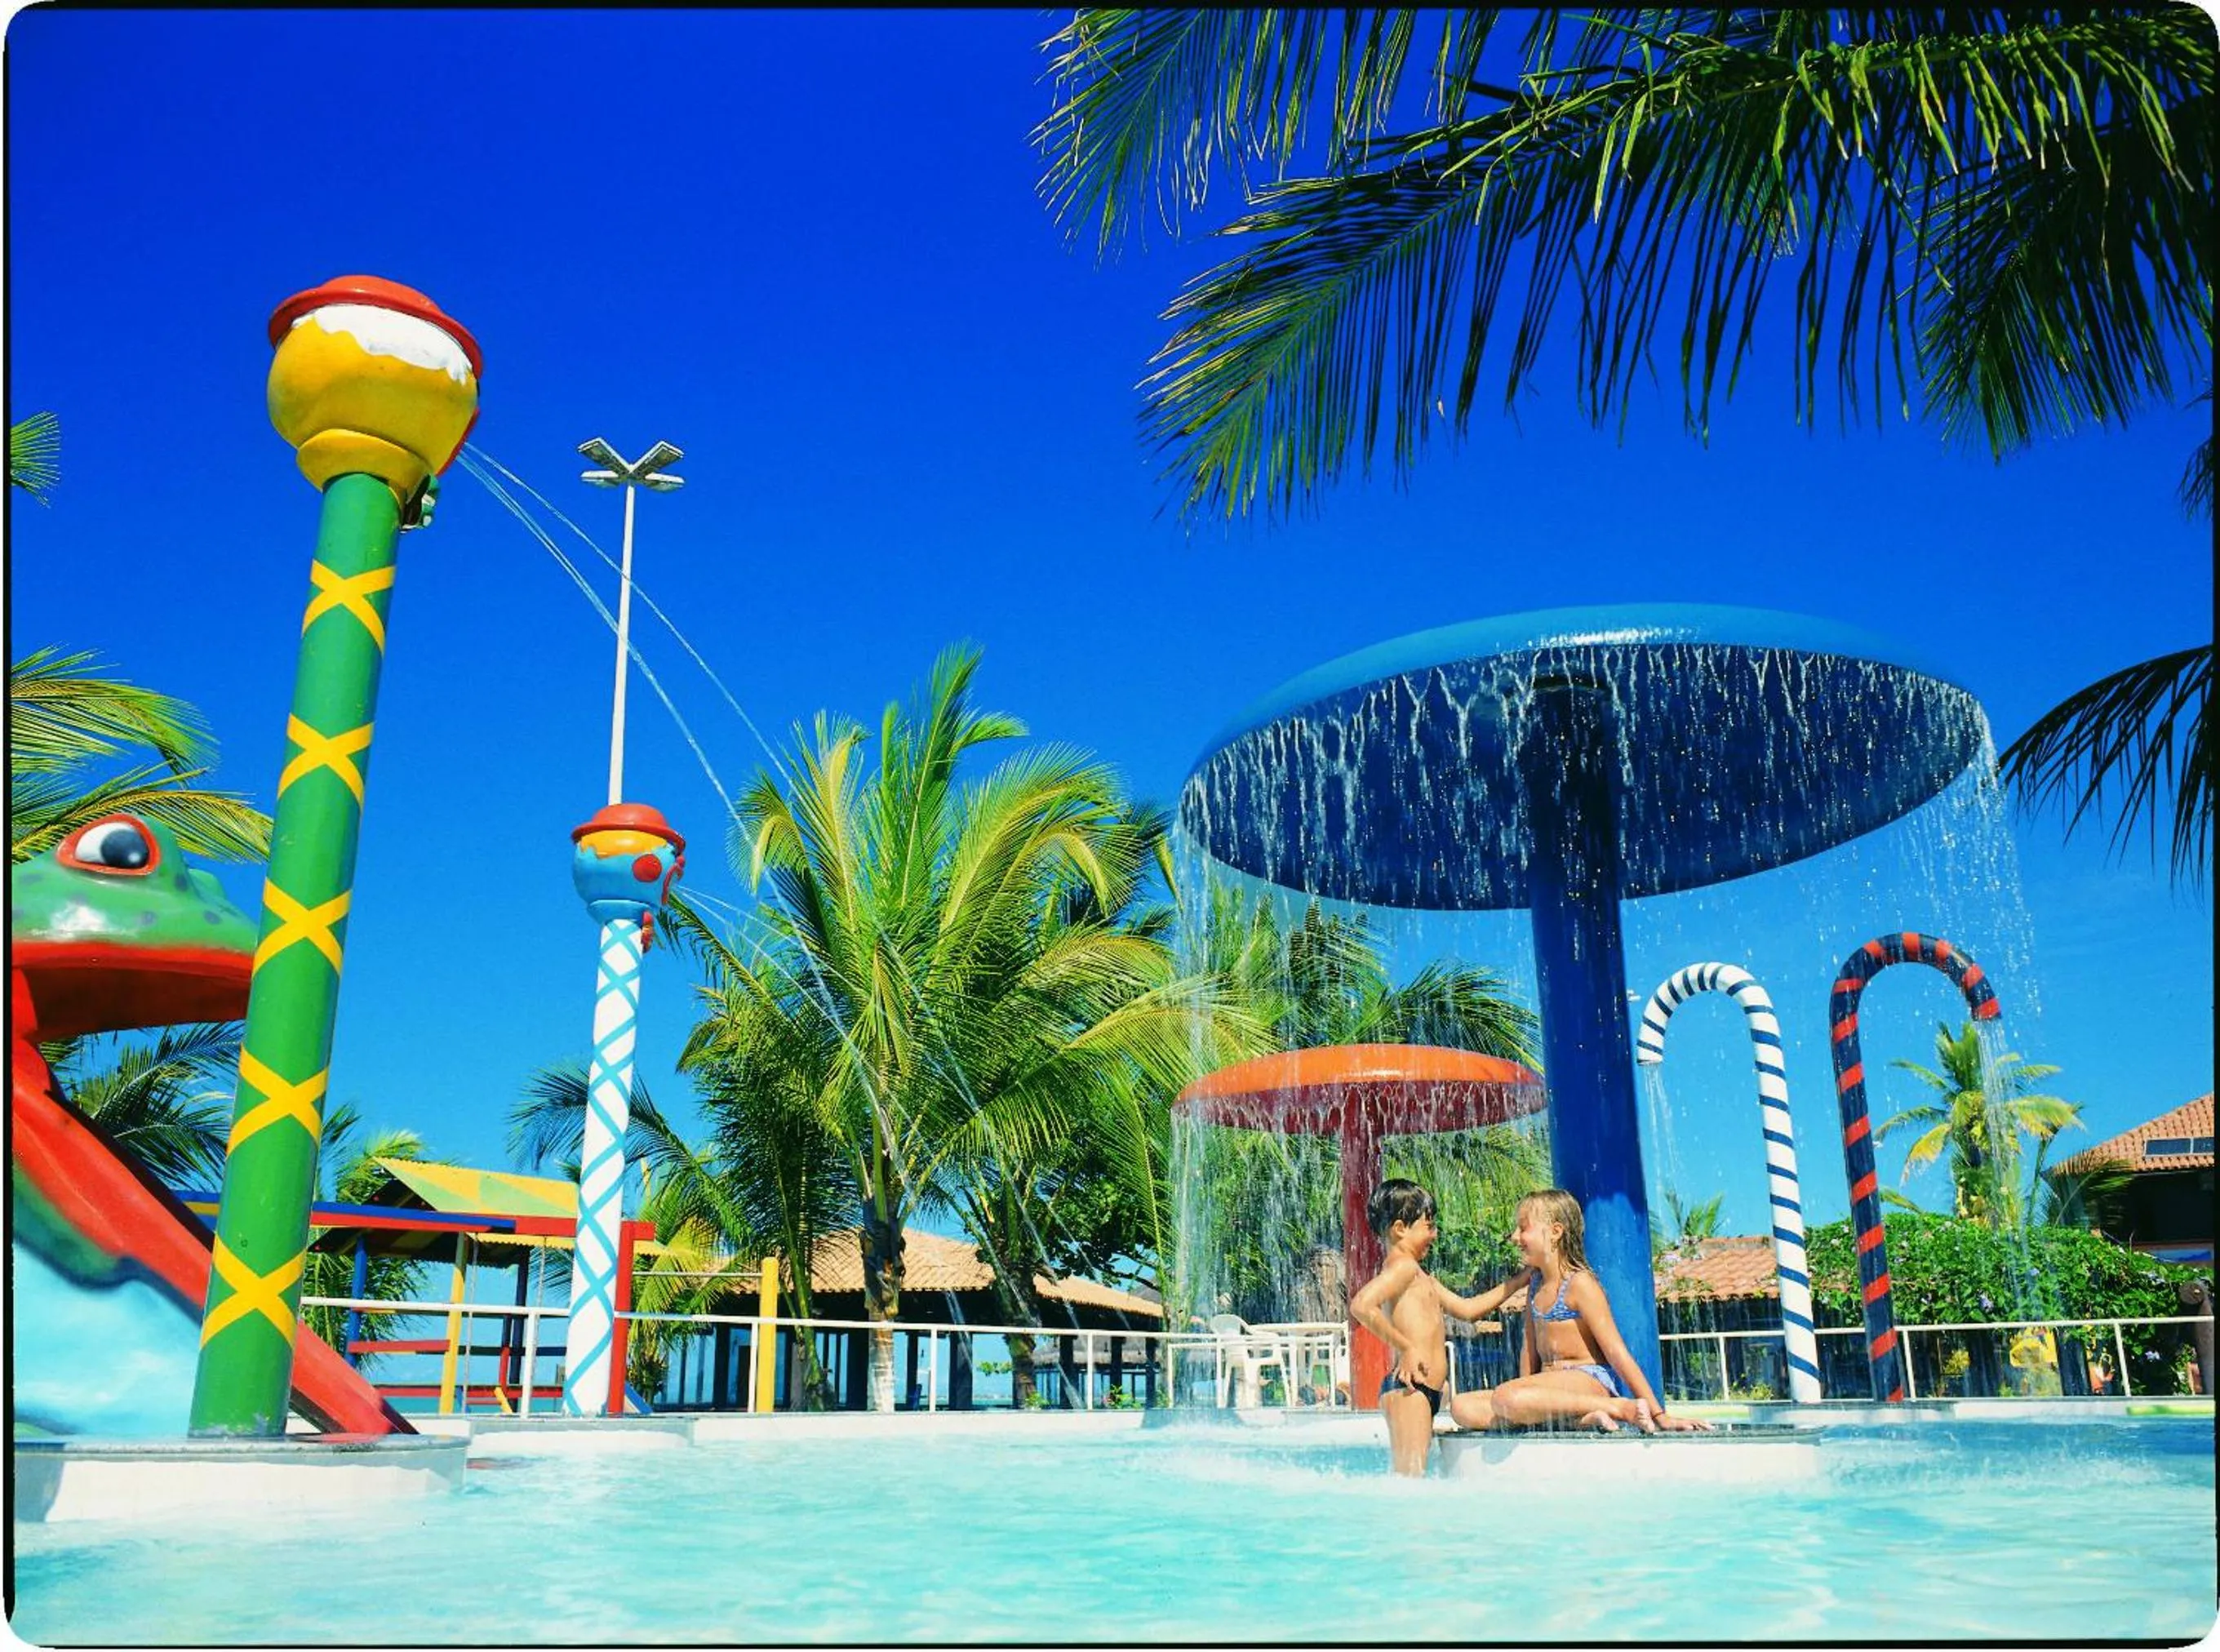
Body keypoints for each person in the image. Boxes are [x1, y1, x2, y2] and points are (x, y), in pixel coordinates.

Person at [1450, 1188, 1709, 1437]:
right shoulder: (1535, 1286)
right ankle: (1580, 1419)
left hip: (1588, 1380)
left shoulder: (1580, 1284)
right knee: (1462, 1407)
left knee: (1506, 1398)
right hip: (1549, 1387)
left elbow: (1617, 1353)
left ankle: (1616, 1407)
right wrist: (1525, 1407)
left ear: (1555, 1232)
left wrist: (1659, 1414)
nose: (1515, 1237)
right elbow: (1528, 1350)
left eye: (1523, 1228)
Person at [1348, 1179, 1536, 1476]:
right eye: (1429, 1225)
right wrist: (1406, 1347)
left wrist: (1518, 1282)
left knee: (1415, 1477)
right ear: (1400, 1229)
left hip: (1425, 1391)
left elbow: (1468, 1310)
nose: (1434, 1234)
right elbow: (1360, 1305)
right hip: (1410, 1389)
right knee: (1409, 1480)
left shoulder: (1421, 1276)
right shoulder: (1403, 1268)